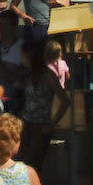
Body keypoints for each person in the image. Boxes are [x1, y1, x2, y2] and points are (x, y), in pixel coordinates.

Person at [20, 41, 71, 171]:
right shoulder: (29, 74)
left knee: (33, 165)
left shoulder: (48, 75)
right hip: (26, 124)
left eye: (23, 55)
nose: (21, 58)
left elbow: (65, 101)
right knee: (23, 162)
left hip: (41, 126)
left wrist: (52, 124)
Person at [0, 10, 28, 110]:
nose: (0, 28)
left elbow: (28, 77)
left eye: (5, 25)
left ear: (14, 26)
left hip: (17, 102)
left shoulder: (23, 48)